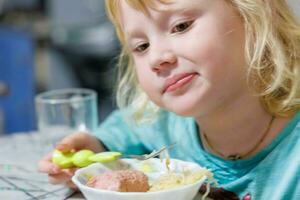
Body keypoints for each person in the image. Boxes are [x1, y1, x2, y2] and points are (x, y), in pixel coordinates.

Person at [38, 0, 300, 199]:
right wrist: (94, 147)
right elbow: (122, 129)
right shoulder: (162, 123)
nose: (156, 58)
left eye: (181, 26)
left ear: (255, 15)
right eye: (142, 46)